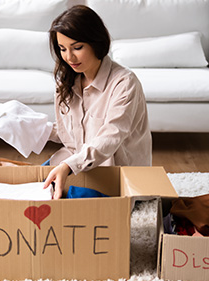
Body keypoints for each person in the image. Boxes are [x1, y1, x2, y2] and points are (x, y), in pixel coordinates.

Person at [43, 5, 152, 199]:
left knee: (62, 198)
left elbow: (110, 138)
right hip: (79, 163)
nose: (69, 57)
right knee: (36, 183)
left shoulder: (125, 83)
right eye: (62, 49)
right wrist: (31, 128)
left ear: (96, 43)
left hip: (114, 174)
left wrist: (68, 166)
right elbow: (70, 134)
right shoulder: (67, 80)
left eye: (77, 48)